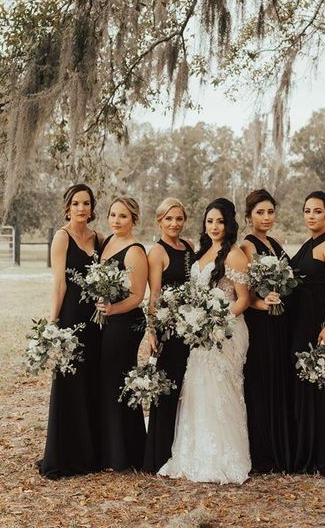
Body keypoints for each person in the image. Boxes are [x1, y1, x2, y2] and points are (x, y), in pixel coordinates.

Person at [159, 198, 251, 484]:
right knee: (198, 386)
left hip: (227, 330)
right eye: (210, 221)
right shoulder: (200, 253)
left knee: (222, 389)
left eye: (220, 221)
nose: (214, 226)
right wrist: (196, 321)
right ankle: (196, 452)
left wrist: (218, 322)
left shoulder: (234, 255)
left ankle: (225, 456)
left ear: (229, 224)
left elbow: (244, 299)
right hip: (201, 333)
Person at [39, 183, 102, 479]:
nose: (81, 208)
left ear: (92, 207)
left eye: (86, 203)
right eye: (76, 203)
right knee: (68, 385)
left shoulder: (98, 238)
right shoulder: (61, 238)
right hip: (70, 320)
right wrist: (53, 326)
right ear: (67, 207)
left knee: (90, 382)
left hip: (95, 321)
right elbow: (59, 284)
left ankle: (89, 453)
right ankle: (64, 455)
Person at [289, 191, 325, 477]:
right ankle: (310, 449)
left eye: (317, 211)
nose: (311, 216)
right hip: (303, 321)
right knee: (308, 387)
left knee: (322, 387)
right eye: (307, 210)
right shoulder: (310, 242)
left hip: (322, 322)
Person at [240, 189, 293, 473]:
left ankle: (279, 444)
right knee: (260, 384)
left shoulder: (273, 242)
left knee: (276, 382)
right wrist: (264, 303)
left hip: (278, 323)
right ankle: (262, 452)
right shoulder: (248, 246)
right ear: (248, 216)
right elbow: (245, 295)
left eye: (270, 212)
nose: (266, 217)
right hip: (260, 325)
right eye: (260, 212)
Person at [143, 198, 195, 472]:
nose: (174, 224)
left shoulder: (189, 247)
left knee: (190, 386)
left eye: (179, 219)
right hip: (168, 328)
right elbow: (154, 295)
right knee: (167, 388)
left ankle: (183, 447)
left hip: (192, 327)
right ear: (159, 221)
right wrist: (152, 331)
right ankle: (158, 453)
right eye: (169, 219)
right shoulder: (157, 252)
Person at [97, 196, 148, 471]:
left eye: (123, 216)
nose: (116, 220)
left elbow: (138, 296)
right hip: (106, 321)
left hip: (125, 323)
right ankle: (108, 448)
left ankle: (125, 452)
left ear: (134, 220)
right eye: (113, 215)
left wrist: (112, 309)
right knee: (106, 381)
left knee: (118, 381)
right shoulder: (107, 242)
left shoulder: (134, 251)